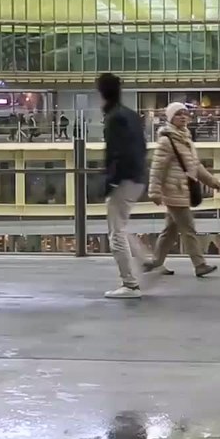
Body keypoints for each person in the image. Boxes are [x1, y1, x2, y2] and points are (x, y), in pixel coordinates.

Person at [144, 103, 220, 277]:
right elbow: (157, 168)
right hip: (174, 191)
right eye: (178, 114)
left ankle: (156, 262)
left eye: (185, 114)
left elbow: (195, 166)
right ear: (171, 118)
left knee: (170, 231)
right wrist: (154, 191)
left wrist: (211, 181)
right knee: (188, 229)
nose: (183, 117)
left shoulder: (185, 138)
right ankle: (200, 265)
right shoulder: (167, 140)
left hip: (181, 190)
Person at [97, 74, 148, 299]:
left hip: (123, 179)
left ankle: (130, 284)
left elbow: (116, 154)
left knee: (116, 232)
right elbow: (141, 147)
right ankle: (144, 261)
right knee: (121, 226)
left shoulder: (114, 118)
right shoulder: (130, 115)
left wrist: (111, 181)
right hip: (137, 177)